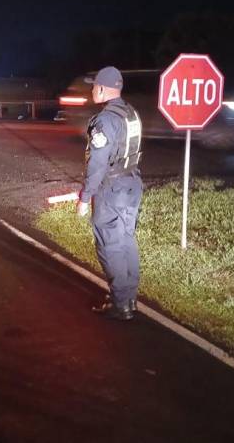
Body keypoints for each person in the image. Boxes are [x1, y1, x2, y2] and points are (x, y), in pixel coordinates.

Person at [77, 66, 143, 321]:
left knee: (109, 245)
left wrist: (85, 197)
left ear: (103, 89)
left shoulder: (105, 120)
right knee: (126, 240)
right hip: (132, 184)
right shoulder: (131, 113)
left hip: (111, 189)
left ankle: (121, 305)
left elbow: (97, 164)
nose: (92, 89)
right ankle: (129, 298)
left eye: (94, 86)